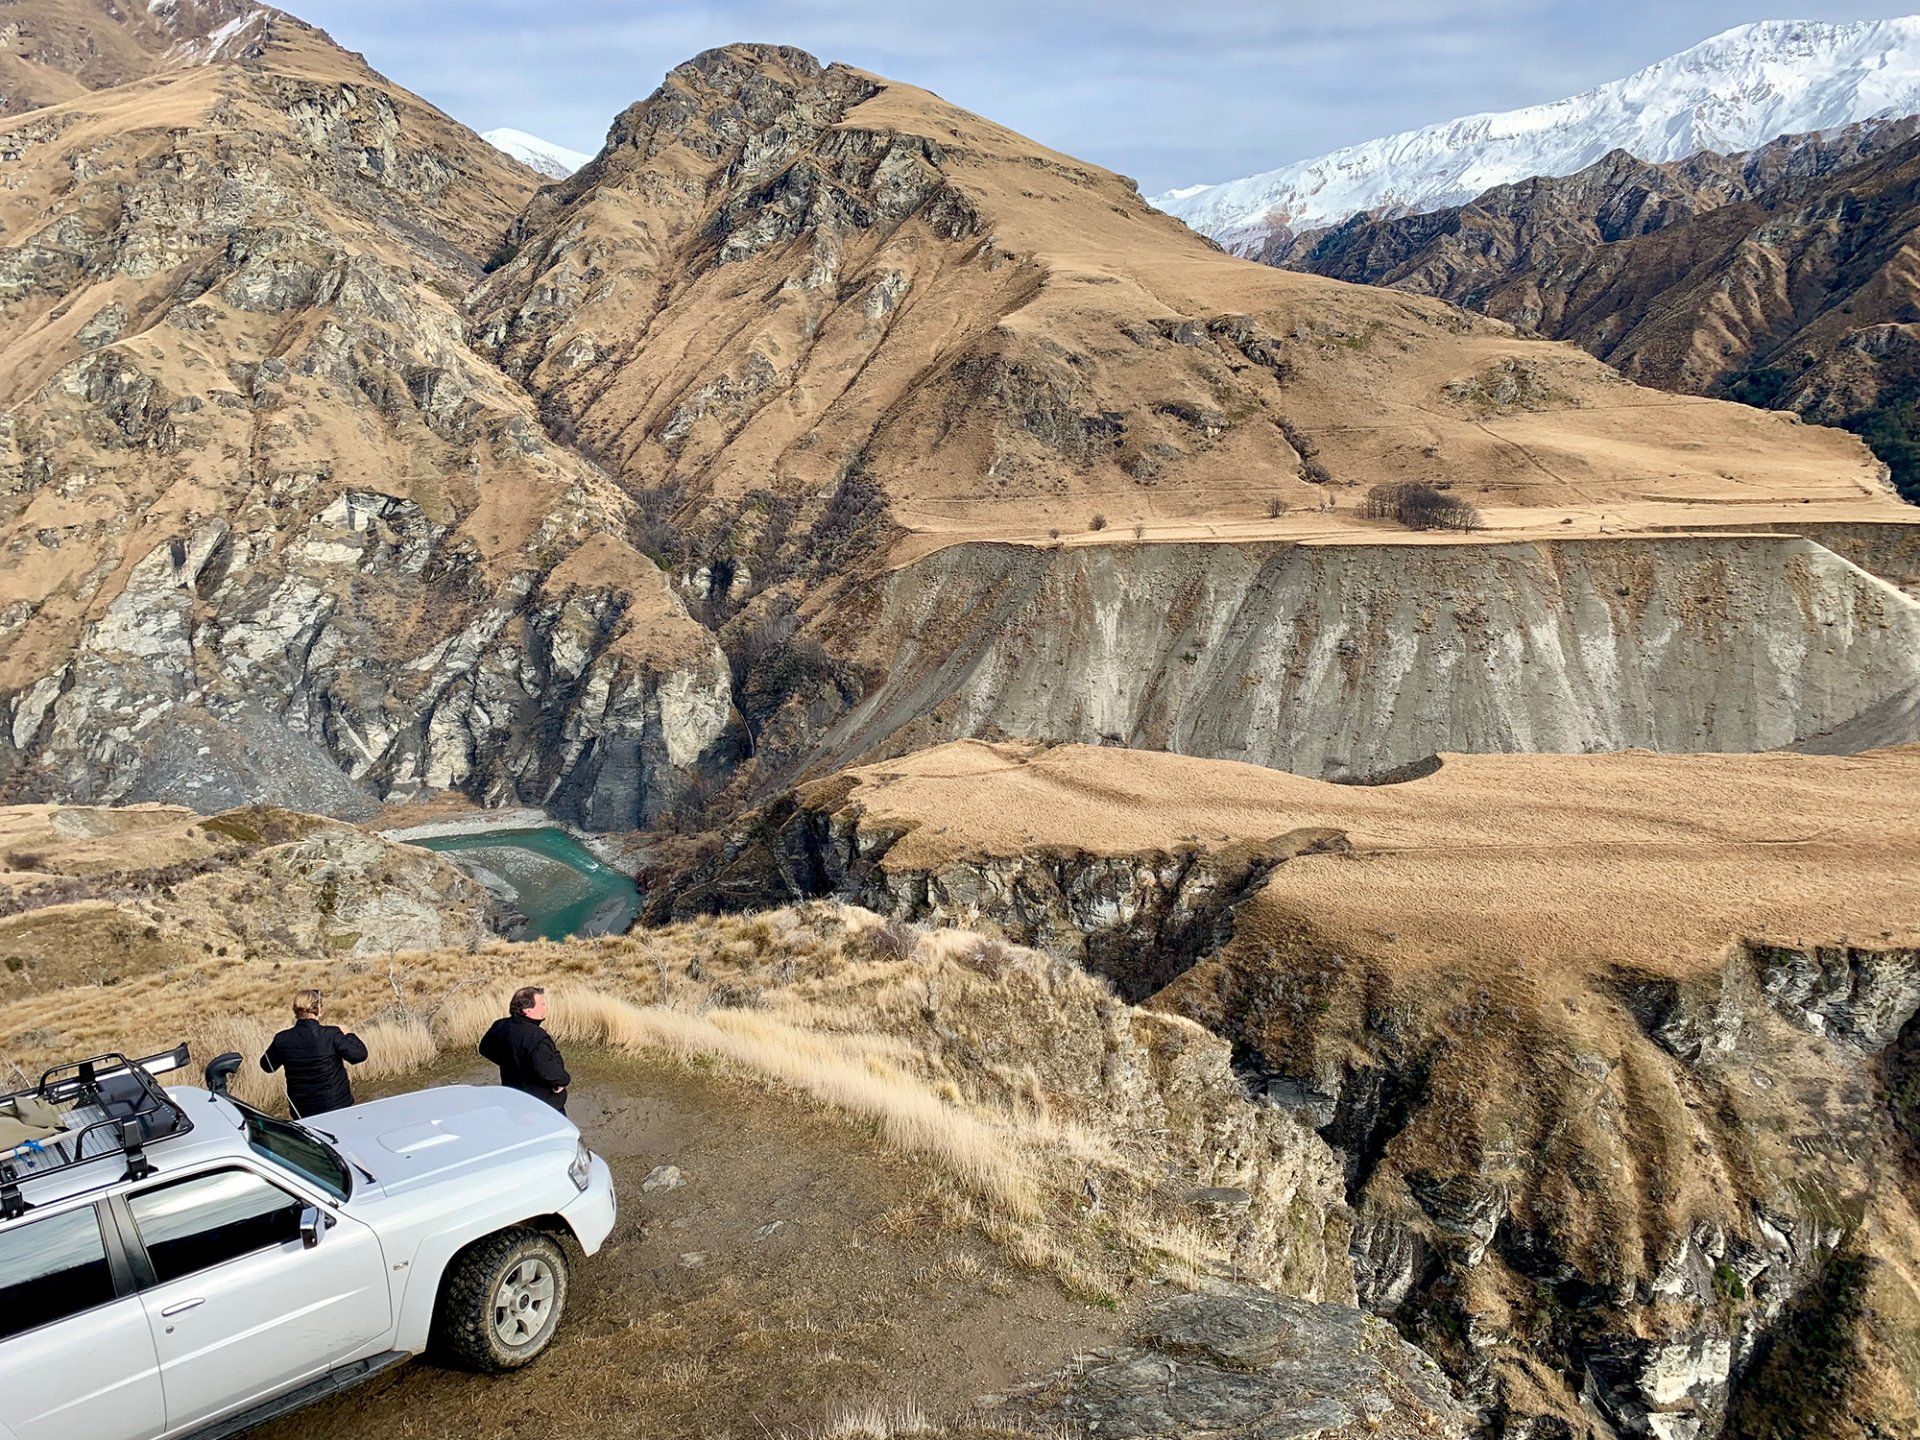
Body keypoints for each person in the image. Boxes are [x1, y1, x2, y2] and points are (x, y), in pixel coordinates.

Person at [260, 989, 367, 1118]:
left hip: (302, 1112)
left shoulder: (282, 1039)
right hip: (337, 1107)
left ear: (296, 1010)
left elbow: (267, 1066)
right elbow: (359, 1055)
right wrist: (348, 1033)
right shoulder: (331, 1034)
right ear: (319, 1008)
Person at [479, 986, 570, 1112]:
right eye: (542, 1004)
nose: (545, 1007)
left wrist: (511, 1062)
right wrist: (563, 1080)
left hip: (514, 1098)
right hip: (543, 1105)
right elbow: (546, 1069)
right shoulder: (536, 1037)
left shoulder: (501, 1026)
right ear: (527, 1011)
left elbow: (484, 1048)